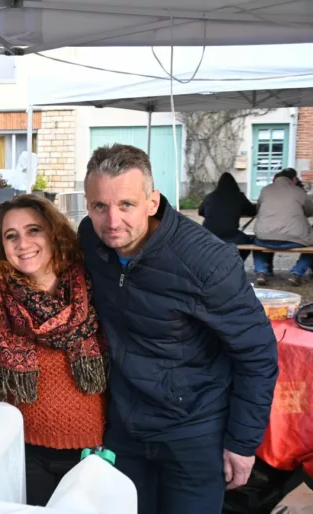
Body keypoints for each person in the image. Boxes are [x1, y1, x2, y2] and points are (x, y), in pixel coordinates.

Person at [78, 143, 278, 514]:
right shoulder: (91, 239)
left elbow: (258, 354)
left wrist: (242, 442)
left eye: (126, 205)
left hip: (193, 431)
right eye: (99, 206)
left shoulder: (206, 260)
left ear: (152, 202)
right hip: (125, 426)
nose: (111, 221)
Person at [0, 194, 107, 507]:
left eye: (34, 230)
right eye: (11, 236)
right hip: (23, 452)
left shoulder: (91, 280)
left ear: (53, 233)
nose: (23, 243)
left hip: (94, 451)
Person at [252, 167, 313, 287]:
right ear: (294, 179)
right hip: (294, 239)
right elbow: (309, 210)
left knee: (256, 244)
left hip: (264, 239)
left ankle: (261, 272)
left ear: (275, 178)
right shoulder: (299, 192)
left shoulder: (265, 190)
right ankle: (296, 273)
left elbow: (257, 209)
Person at [198, 172, 256, 260]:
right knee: (248, 241)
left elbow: (200, 212)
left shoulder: (211, 196)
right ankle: (236, 262)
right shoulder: (238, 197)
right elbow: (252, 211)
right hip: (231, 235)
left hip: (208, 235)